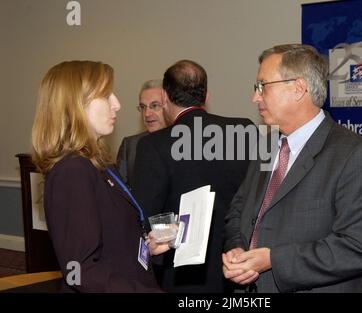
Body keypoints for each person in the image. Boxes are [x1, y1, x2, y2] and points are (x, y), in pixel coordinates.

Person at [222, 44, 362, 293]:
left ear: (298, 88)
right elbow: (238, 211)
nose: (255, 97)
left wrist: (273, 260)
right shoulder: (266, 146)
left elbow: (360, 247)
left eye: (262, 86)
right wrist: (237, 248)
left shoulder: (353, 155)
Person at [31, 61, 161, 293]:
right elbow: (80, 271)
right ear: (75, 105)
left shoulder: (97, 164)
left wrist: (144, 246)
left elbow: (107, 238)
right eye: (106, 95)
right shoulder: (72, 171)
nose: (117, 104)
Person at [132, 60, 253, 293]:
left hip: (182, 274)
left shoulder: (153, 145)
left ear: (165, 97)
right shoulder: (244, 131)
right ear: (206, 96)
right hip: (239, 266)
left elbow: (144, 215)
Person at [116, 79, 167, 186]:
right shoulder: (130, 146)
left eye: (155, 106)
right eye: (143, 107)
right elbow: (120, 195)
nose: (147, 113)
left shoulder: (184, 143)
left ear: (169, 107)